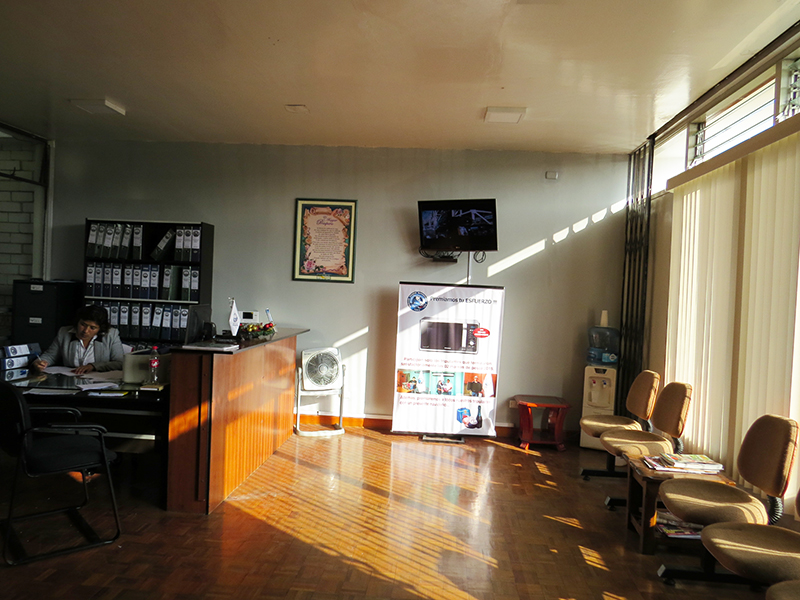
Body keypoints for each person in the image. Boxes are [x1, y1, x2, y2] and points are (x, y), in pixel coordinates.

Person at [32, 304, 124, 374]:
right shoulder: (64, 332)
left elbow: (120, 363)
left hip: (99, 382)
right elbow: (50, 356)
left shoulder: (111, 335)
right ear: (77, 322)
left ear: (100, 329)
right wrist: (40, 363)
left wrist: (93, 366)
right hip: (70, 380)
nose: (85, 331)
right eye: (83, 324)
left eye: (92, 328)